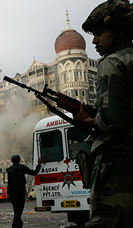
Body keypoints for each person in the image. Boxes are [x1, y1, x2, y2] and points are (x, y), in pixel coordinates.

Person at [74, 1, 133, 227]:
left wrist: (86, 120)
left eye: (100, 33)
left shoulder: (112, 63)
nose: (94, 40)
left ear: (119, 31)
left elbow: (112, 120)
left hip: (117, 166)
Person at [7, 155, 42, 228]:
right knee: (19, 210)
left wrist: (9, 194)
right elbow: (34, 172)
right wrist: (39, 165)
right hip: (21, 191)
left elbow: (9, 183)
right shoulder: (22, 168)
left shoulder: (9, 170)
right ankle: (16, 225)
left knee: (16, 210)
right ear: (19, 160)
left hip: (13, 193)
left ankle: (18, 224)